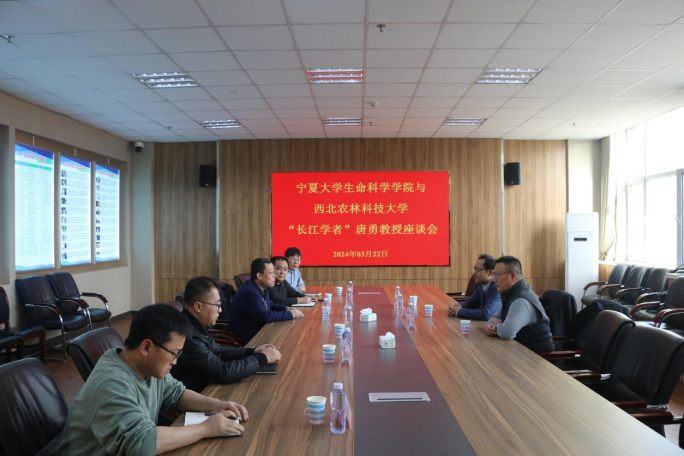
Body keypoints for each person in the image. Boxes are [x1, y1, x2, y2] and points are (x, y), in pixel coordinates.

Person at [59, 305, 248, 456]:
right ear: (147, 347)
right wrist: (205, 429)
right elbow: (142, 444)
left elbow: (176, 393)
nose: (175, 361)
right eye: (174, 353)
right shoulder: (112, 384)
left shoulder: (146, 367)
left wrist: (216, 405)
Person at [171, 276, 282, 392]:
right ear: (198, 306)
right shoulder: (187, 335)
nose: (220, 310)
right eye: (217, 305)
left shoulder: (193, 324)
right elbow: (222, 372)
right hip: (200, 393)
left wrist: (252, 351)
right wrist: (262, 358)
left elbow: (218, 350)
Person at [485, 255, 554, 353]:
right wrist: (491, 326)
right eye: (493, 275)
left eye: (497, 275)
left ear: (513, 276)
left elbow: (506, 333)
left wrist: (497, 326)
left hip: (537, 357)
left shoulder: (521, 300)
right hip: (520, 350)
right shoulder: (511, 294)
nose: (494, 280)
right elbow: (494, 318)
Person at [227, 258, 304, 344]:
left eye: (274, 272)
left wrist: (287, 308)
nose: (274, 276)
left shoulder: (261, 287)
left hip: (260, 331)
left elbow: (271, 305)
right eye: (271, 273)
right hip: (247, 339)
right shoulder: (250, 292)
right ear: (259, 275)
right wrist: (290, 314)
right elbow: (264, 316)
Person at [448, 254, 501, 321]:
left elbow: (486, 314)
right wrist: (457, 306)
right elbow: (471, 301)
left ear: (490, 272)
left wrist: (458, 312)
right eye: (475, 269)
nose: (475, 273)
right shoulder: (482, 284)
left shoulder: (498, 286)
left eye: (478, 269)